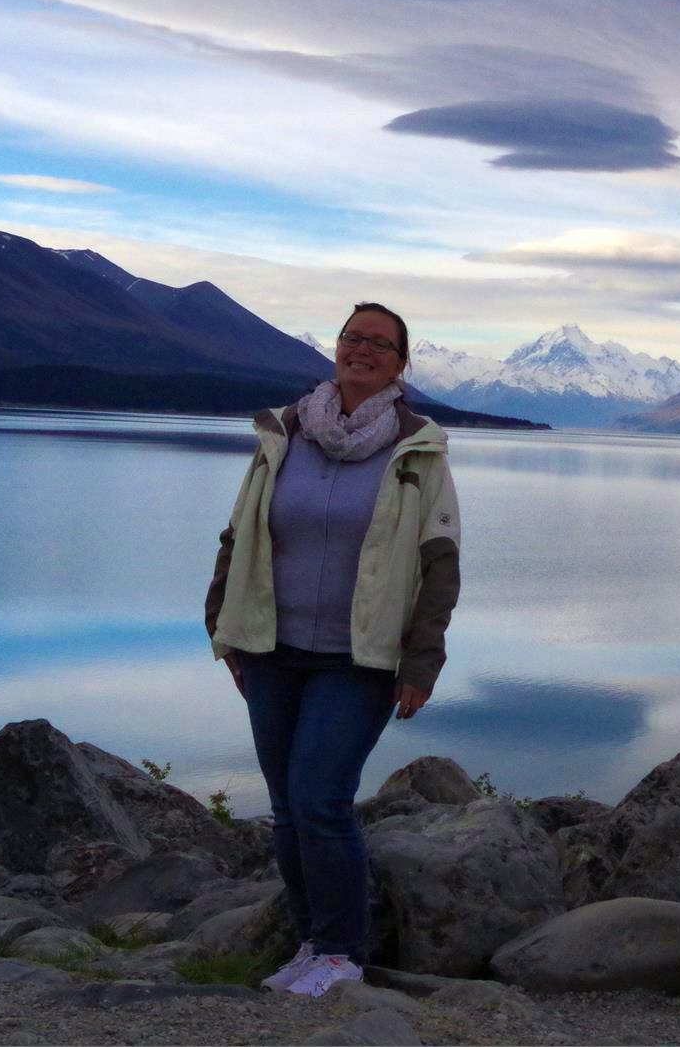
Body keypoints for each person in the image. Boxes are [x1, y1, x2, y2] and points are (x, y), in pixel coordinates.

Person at [203, 302, 460, 998]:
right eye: (354, 338)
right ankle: (311, 942)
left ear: (401, 365)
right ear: (336, 348)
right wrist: (221, 622)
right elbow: (240, 532)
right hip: (271, 647)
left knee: (320, 798)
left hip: (360, 657)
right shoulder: (283, 433)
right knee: (288, 804)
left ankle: (345, 951)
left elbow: (440, 564)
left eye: (381, 343)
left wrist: (422, 661)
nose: (363, 350)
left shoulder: (418, 450)